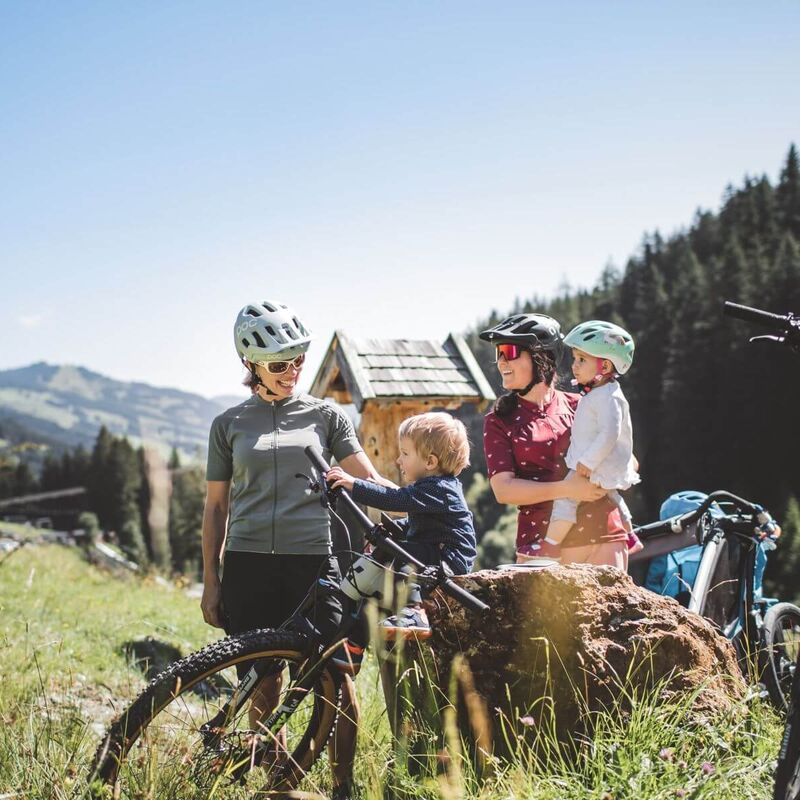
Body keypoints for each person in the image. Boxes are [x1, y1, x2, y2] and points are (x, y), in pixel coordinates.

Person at [201, 299, 381, 800]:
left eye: (298, 359)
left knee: (337, 682)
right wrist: (211, 583)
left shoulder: (327, 416)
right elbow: (215, 509)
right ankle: (281, 785)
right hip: (247, 565)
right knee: (263, 682)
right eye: (279, 364)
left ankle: (343, 787)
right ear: (250, 365)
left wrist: (427, 502)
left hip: (314, 563)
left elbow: (370, 481)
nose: (292, 371)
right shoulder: (228, 424)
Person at [480, 313, 629, 569]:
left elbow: (627, 459)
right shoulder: (498, 421)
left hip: (603, 534)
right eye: (498, 353)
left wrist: (601, 477)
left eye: (510, 351)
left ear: (542, 358)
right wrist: (568, 489)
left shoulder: (582, 403)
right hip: (540, 546)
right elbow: (503, 490)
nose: (502, 361)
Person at [326, 411, 476, 639]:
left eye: (405, 453)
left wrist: (354, 485)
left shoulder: (439, 488)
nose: (398, 460)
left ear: (430, 462)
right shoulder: (430, 489)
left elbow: (396, 500)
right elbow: (421, 522)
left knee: (402, 556)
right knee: (389, 556)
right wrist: (393, 529)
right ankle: (359, 631)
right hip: (434, 549)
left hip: (448, 556)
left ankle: (415, 613)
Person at [542, 320, 640, 550]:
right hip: (604, 464)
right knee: (612, 494)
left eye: (582, 360)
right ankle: (631, 536)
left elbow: (610, 433)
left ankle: (549, 545)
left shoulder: (608, 397)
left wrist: (588, 461)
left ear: (605, 367)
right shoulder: (601, 392)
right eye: (575, 359)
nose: (574, 366)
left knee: (565, 498)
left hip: (596, 464)